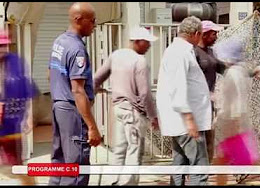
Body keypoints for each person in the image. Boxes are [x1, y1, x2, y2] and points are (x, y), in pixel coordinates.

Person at [93, 27, 159, 185]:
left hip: (119, 108)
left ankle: (112, 182)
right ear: (137, 41)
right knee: (134, 152)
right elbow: (144, 93)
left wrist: (97, 90)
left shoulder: (116, 55)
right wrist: (153, 116)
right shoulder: (140, 61)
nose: (149, 46)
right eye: (147, 42)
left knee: (119, 150)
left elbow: (95, 79)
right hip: (134, 112)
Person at [48, 2, 101, 185]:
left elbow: (51, 74)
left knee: (59, 162)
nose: (94, 25)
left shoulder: (60, 41)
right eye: (92, 21)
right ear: (79, 19)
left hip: (58, 107)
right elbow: (77, 90)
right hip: (71, 111)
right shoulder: (77, 49)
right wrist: (92, 126)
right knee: (76, 167)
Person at [156, 16, 211, 186]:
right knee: (199, 167)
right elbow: (177, 87)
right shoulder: (178, 53)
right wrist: (189, 119)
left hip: (183, 121)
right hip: (185, 122)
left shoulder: (180, 51)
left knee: (179, 164)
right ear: (195, 33)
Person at [212, 37, 260, 185]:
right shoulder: (240, 71)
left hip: (234, 127)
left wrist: (234, 128)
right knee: (221, 163)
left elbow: (236, 102)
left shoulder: (233, 74)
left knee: (252, 168)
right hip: (236, 126)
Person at [0, 30, 36, 185]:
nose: (3, 48)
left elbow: (27, 89)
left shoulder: (15, 62)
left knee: (15, 163)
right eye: (0, 45)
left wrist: (29, 116)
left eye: (5, 45)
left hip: (11, 122)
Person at [194, 20, 226, 163]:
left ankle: (205, 170)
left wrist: (245, 71)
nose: (216, 37)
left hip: (209, 104)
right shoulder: (193, 52)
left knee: (209, 138)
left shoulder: (211, 52)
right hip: (196, 104)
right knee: (196, 140)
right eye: (214, 34)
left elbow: (223, 68)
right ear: (204, 34)